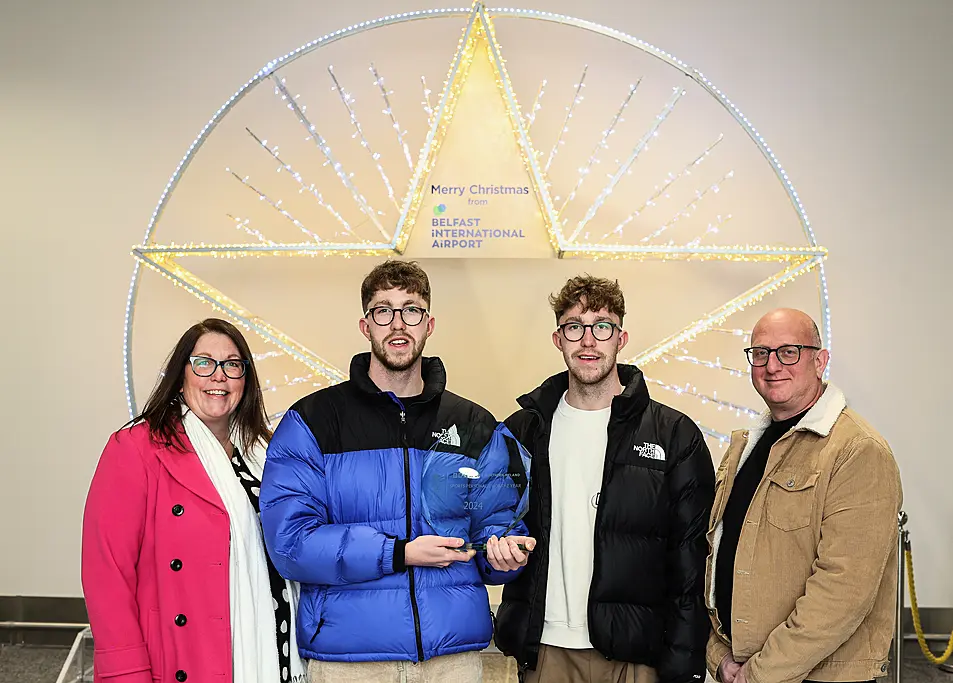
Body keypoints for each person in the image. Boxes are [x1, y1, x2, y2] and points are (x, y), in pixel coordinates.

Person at [259, 259, 535, 683]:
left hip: (452, 661)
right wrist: (396, 553)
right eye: (383, 310)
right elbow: (290, 544)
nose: (397, 324)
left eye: (411, 310)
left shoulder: (475, 424)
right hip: (348, 663)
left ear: (429, 324)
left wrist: (505, 555)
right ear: (365, 325)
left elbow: (495, 531)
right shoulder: (312, 421)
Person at [495, 274, 716, 683]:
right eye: (574, 327)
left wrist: (685, 661)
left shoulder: (674, 434)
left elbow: (691, 563)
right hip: (545, 649)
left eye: (602, 326)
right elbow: (495, 523)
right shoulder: (523, 430)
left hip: (634, 654)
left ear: (621, 337)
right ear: (558, 339)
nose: (588, 341)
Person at [82, 318, 305, 683]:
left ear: (245, 380)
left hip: (276, 649)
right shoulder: (136, 448)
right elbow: (107, 573)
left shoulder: (266, 453)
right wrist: (126, 671)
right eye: (204, 362)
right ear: (181, 374)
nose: (219, 376)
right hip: (189, 656)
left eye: (232, 365)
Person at [706, 308, 903, 683]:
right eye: (760, 353)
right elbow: (715, 555)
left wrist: (759, 674)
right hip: (741, 667)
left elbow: (843, 590)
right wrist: (719, 656)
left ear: (820, 361)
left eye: (789, 352)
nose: (772, 365)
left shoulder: (858, 450)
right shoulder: (744, 448)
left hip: (821, 676)